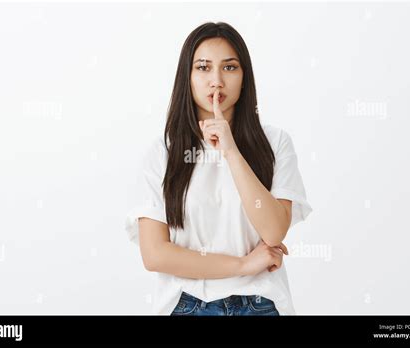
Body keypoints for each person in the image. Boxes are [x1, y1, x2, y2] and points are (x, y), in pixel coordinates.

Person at [125, 22, 312, 315]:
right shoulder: (163, 152)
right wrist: (242, 265)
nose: (216, 81)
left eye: (229, 67)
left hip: (260, 304)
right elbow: (155, 254)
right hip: (187, 304)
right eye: (203, 67)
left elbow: (274, 231)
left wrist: (230, 150)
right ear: (187, 77)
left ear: (244, 76)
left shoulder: (274, 142)